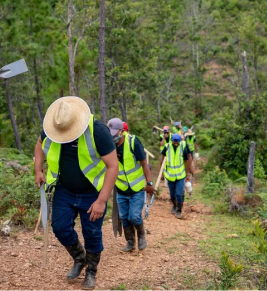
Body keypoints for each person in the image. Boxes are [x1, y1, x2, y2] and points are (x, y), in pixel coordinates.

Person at [34, 97, 119, 291]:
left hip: (92, 192)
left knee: (92, 233)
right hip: (65, 189)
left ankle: (92, 271)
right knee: (60, 227)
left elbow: (113, 166)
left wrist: (101, 200)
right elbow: (40, 144)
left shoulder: (98, 132)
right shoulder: (53, 127)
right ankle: (79, 258)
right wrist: (38, 170)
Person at [107, 118, 155, 252]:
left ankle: (141, 236)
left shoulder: (133, 142)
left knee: (134, 216)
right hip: (121, 189)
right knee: (124, 218)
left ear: (122, 131)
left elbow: (144, 164)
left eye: (115, 134)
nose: (112, 136)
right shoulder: (109, 145)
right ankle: (130, 243)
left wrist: (149, 183)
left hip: (137, 188)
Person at [160, 133, 191, 219]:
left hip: (180, 176)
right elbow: (162, 160)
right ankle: (174, 205)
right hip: (170, 176)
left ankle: (179, 210)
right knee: (172, 195)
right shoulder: (167, 147)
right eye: (174, 142)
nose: (176, 144)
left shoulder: (183, 148)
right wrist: (162, 173)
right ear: (172, 141)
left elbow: (186, 162)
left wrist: (188, 174)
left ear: (180, 141)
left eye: (177, 142)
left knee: (178, 194)